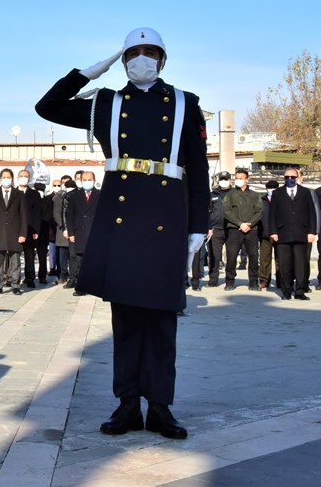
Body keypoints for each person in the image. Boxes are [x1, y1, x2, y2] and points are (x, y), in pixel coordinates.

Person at [36, 27, 208, 440]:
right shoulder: (107, 103)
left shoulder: (185, 104)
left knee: (163, 319)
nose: (141, 60)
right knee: (126, 318)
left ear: (163, 60)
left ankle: (161, 407)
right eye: (132, 53)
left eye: (150, 53)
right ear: (123, 59)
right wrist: (88, 73)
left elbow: (199, 169)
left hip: (167, 215)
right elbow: (47, 107)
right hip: (123, 218)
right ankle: (128, 404)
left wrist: (198, 226)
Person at [268, 167, 318, 300]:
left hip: (302, 233)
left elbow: (311, 213)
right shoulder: (277, 193)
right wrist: (273, 231)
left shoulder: (305, 192)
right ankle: (286, 291)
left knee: (301, 264)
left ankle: (300, 291)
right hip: (282, 233)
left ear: (297, 178)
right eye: (286, 177)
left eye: (292, 177)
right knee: (284, 264)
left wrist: (312, 231)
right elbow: (272, 214)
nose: (289, 179)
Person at [0, 169, 28, 295]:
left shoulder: (19, 194)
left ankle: (15, 285)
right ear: (0, 178)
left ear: (12, 179)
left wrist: (23, 234)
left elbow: (24, 216)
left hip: (15, 233)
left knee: (15, 261)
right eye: (4, 177)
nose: (6, 179)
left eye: (8, 177)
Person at [222, 170, 263, 290]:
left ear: (247, 179)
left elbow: (259, 211)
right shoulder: (229, 195)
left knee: (254, 256)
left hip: (252, 230)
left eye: (241, 178)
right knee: (232, 256)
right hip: (234, 229)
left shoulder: (255, 195)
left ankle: (254, 282)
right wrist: (239, 223)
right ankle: (229, 282)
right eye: (237, 178)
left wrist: (249, 225)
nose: (238, 180)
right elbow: (226, 211)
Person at [65, 171, 101, 296]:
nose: (87, 182)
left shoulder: (100, 195)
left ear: (94, 180)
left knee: (95, 261)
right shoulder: (75, 195)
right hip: (79, 232)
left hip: (95, 232)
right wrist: (71, 233)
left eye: (89, 179)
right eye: (84, 179)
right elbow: (69, 216)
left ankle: (95, 285)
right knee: (80, 261)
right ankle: (80, 287)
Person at [16, 169, 43, 289]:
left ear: (30, 178)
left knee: (29, 255)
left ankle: (30, 278)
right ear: (17, 178)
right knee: (13, 255)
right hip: (14, 229)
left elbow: (38, 213)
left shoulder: (34, 194)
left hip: (30, 229)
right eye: (21, 176)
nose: (23, 178)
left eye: (26, 176)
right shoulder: (12, 192)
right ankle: (13, 278)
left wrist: (36, 230)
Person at [205, 172, 232, 286]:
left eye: (226, 179)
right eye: (222, 179)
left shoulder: (235, 193)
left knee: (231, 256)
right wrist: (208, 227)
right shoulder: (212, 194)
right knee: (215, 256)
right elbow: (206, 211)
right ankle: (213, 280)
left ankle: (230, 281)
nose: (223, 181)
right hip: (216, 229)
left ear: (230, 180)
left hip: (231, 228)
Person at [258, 180, 279, 289]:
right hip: (265, 233)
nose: (271, 190)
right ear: (266, 189)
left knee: (280, 259)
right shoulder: (261, 200)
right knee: (264, 259)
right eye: (269, 188)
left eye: (274, 188)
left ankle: (281, 280)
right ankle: (264, 280)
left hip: (280, 234)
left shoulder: (282, 200)